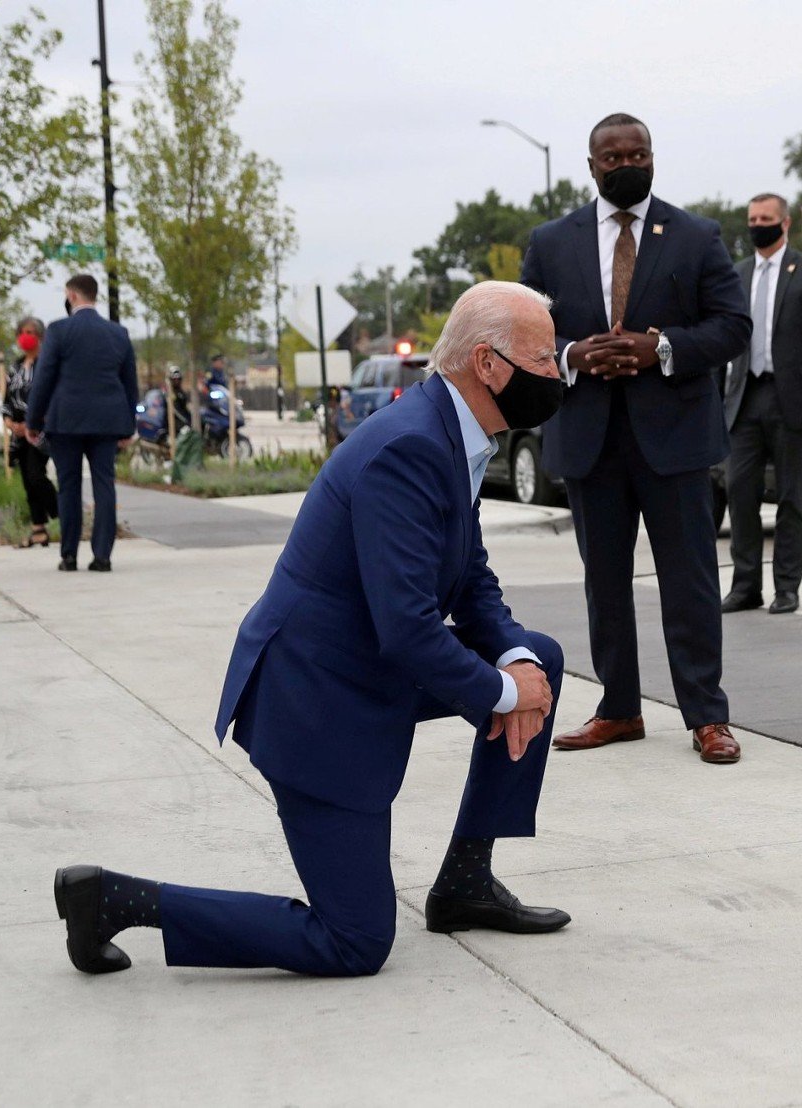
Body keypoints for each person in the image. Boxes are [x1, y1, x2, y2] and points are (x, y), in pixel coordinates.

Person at [52, 282, 572, 978]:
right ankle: (115, 899)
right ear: (487, 364)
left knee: (537, 656)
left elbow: (470, 578)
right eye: (543, 359)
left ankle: (466, 883)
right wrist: (506, 696)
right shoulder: (411, 447)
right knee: (354, 940)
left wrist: (514, 664)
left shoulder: (452, 434)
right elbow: (410, 629)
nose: (557, 374)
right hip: (318, 700)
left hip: (364, 668)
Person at [520, 113, 751, 765]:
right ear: (590, 166)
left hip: (675, 441)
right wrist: (572, 355)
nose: (627, 163)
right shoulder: (550, 241)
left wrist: (663, 348)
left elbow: (733, 325)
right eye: (613, 156)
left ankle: (707, 716)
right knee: (606, 583)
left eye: (638, 153)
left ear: (654, 157)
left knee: (691, 581)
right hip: (590, 438)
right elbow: (523, 328)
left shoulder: (697, 235)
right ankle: (618, 710)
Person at [720, 194, 802, 614]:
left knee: (793, 496)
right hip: (745, 398)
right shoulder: (736, 274)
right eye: (753, 218)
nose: (758, 224)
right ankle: (745, 586)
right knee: (740, 492)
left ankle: (787, 587)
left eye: (766, 218)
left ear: (786, 223)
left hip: (793, 400)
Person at [26, 274, 139, 573]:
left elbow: (44, 378)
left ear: (72, 296)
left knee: (69, 487)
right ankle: (102, 556)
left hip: (66, 422)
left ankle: (69, 556)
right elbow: (130, 383)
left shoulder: (59, 330)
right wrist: (129, 425)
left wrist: (33, 420)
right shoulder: (118, 333)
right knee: (105, 485)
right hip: (107, 421)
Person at [0, 316, 57, 548]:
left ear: (41, 336)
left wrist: (32, 424)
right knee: (27, 482)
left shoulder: (46, 365)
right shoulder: (14, 367)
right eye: (23, 331)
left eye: (31, 332)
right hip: (18, 432)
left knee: (36, 475)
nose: (26, 336)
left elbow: (51, 398)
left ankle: (62, 510)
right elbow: (6, 401)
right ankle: (38, 528)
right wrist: (11, 423)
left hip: (39, 430)